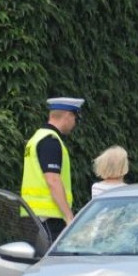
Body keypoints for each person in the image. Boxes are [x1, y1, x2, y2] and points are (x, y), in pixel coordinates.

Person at [21, 96, 85, 239]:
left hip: (35, 217)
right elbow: (53, 180)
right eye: (76, 118)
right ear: (68, 116)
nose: (75, 123)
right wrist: (69, 217)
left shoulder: (36, 138)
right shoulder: (50, 141)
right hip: (49, 218)